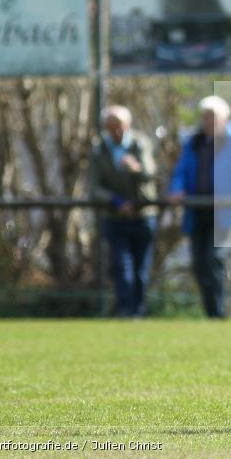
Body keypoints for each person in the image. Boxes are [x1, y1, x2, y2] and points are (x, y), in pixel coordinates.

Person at [168, 96, 231, 318]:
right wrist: (176, 189)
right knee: (198, 263)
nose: (208, 121)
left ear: (224, 118)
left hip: (222, 210)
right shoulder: (193, 142)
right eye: (205, 117)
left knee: (214, 258)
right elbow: (181, 171)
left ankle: (218, 313)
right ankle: (210, 311)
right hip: (197, 209)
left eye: (212, 117)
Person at [89, 105, 158, 318]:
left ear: (127, 125)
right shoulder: (99, 149)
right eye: (111, 127)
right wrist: (117, 201)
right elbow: (94, 187)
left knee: (141, 268)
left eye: (119, 126)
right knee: (121, 266)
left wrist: (135, 168)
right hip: (115, 216)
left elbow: (150, 174)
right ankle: (125, 310)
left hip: (143, 215)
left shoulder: (140, 143)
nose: (116, 131)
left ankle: (139, 310)